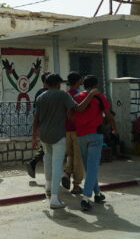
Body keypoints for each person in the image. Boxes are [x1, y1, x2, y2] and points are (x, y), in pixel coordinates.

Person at [32, 74, 98, 209]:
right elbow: (79, 108)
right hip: (58, 135)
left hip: (44, 135)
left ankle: (48, 189)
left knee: (47, 160)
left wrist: (33, 136)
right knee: (57, 165)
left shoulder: (40, 96)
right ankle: (54, 199)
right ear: (57, 84)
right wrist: (90, 95)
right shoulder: (62, 95)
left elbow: (36, 118)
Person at [73, 75, 114, 212]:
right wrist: (115, 128)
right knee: (92, 168)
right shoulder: (99, 96)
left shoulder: (77, 97)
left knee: (89, 168)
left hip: (80, 135)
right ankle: (85, 199)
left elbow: (73, 113)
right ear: (95, 85)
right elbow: (108, 115)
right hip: (95, 135)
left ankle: (97, 194)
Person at [61, 71, 85, 194]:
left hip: (66, 130)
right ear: (78, 81)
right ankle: (76, 185)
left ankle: (66, 173)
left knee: (70, 155)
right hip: (77, 130)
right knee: (78, 159)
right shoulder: (79, 95)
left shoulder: (65, 94)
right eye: (81, 79)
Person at [24, 72, 51, 178]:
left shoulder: (40, 92)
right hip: (47, 124)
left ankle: (33, 163)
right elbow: (36, 111)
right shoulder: (44, 93)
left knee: (46, 147)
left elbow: (35, 111)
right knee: (49, 147)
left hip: (45, 124)